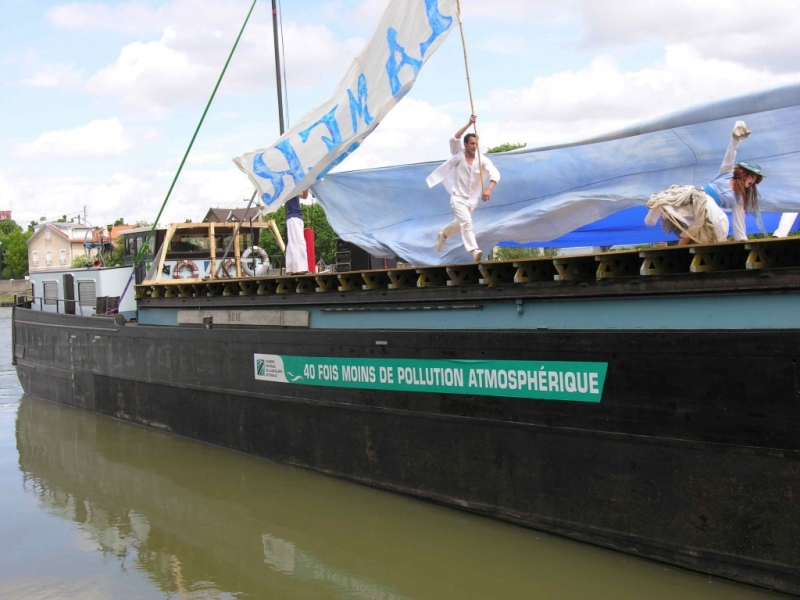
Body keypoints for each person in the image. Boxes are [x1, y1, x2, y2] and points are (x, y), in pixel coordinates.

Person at [645, 120, 764, 244]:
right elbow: (730, 152)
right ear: (743, 173)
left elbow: (739, 222)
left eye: (755, 181)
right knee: (683, 217)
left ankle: (679, 251)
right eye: (752, 177)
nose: (753, 182)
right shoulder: (727, 172)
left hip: (709, 212)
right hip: (698, 198)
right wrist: (736, 138)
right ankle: (678, 249)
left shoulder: (739, 199)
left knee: (696, 230)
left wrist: (742, 241)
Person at [427, 115, 501, 262]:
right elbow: (454, 138)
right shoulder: (458, 155)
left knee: (459, 224)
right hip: (458, 198)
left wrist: (489, 189)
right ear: (466, 144)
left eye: (476, 144)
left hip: (472, 200)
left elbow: (495, 173)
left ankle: (443, 234)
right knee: (467, 223)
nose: (474, 146)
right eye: (472, 143)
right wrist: (469, 123)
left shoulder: (482, 160)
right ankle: (474, 250)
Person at [285, 189, 309, 275]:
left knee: (292, 243)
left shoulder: (293, 191)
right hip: (294, 218)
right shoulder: (289, 189)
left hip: (296, 217)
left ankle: (290, 269)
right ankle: (301, 268)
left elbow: (304, 196)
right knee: (299, 242)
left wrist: (306, 187)